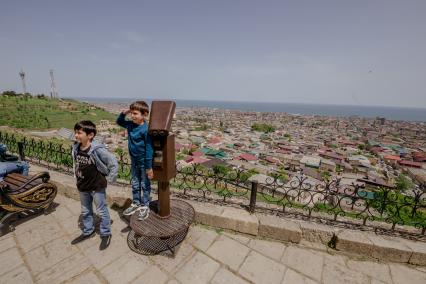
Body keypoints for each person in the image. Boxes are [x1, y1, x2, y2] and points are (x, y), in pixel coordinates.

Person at [70, 120, 118, 250]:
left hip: (96, 186)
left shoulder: (97, 150)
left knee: (101, 211)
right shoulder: (76, 147)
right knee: (85, 210)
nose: (76, 135)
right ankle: (88, 231)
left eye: (79, 133)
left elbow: (113, 162)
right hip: (82, 185)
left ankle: (106, 232)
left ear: (90, 135)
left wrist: (110, 177)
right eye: (76, 132)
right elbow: (77, 165)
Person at [116, 101, 153, 220]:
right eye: (131, 113)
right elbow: (119, 121)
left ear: (144, 114)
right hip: (134, 160)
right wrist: (124, 112)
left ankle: (145, 206)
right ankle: (136, 202)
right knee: (135, 183)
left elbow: (149, 149)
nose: (132, 116)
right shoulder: (130, 125)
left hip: (144, 162)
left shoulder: (146, 129)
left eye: (135, 113)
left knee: (145, 184)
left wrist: (149, 167)